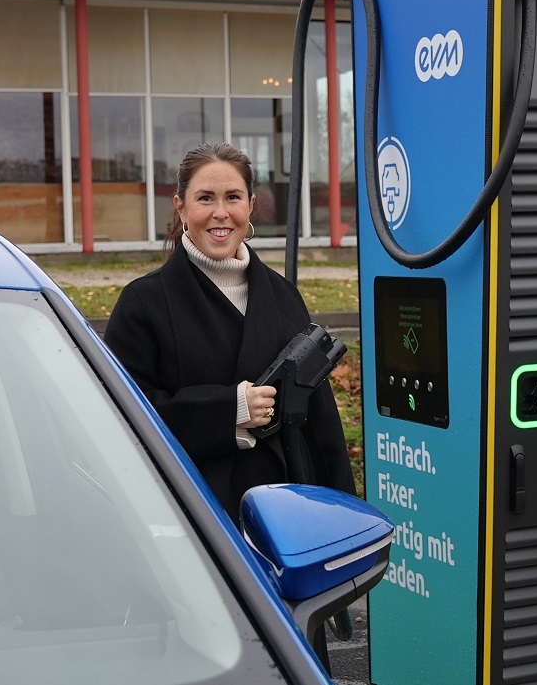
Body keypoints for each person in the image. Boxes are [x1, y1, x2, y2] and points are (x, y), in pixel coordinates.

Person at [104, 142, 355, 522]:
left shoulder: (283, 294)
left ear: (251, 205)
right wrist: (230, 410)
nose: (220, 213)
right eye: (205, 198)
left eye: (233, 197)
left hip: (287, 515)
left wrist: (343, 516)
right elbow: (120, 417)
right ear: (180, 207)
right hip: (190, 517)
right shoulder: (144, 303)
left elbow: (322, 425)